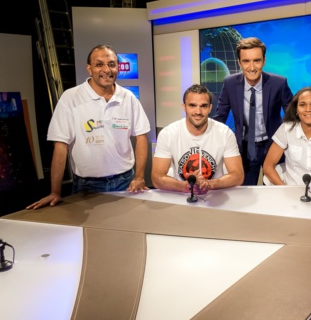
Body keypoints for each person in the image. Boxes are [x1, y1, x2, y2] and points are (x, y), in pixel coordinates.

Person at [27, 44, 151, 209]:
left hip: (125, 183)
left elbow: (141, 136)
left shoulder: (128, 97)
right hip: (87, 186)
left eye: (112, 64)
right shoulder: (71, 98)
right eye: (99, 64)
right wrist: (55, 191)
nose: (107, 69)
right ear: (89, 68)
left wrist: (139, 176)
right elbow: (61, 145)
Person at [213, 37, 293, 185]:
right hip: (244, 148)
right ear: (239, 62)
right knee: (245, 193)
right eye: (246, 61)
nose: (251, 67)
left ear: (264, 61)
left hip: (274, 146)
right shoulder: (230, 83)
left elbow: (293, 116)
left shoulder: (278, 83)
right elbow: (220, 118)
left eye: (256, 61)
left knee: (275, 194)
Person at [151, 84, 244, 194]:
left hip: (215, 195)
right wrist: (185, 187)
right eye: (192, 105)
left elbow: (238, 176)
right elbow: (157, 178)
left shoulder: (225, 133)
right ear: (184, 107)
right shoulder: (168, 134)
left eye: (203, 106)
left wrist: (210, 184)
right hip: (181, 195)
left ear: (210, 108)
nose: (198, 112)